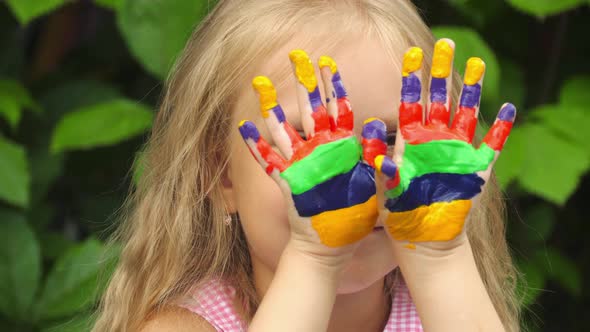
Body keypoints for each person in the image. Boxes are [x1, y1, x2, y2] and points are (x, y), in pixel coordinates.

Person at [93, 0, 521, 331]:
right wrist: (314, 258)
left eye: (390, 139)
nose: (357, 176)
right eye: (305, 139)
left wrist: (441, 260)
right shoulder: (185, 326)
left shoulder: (446, 312)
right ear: (220, 174)